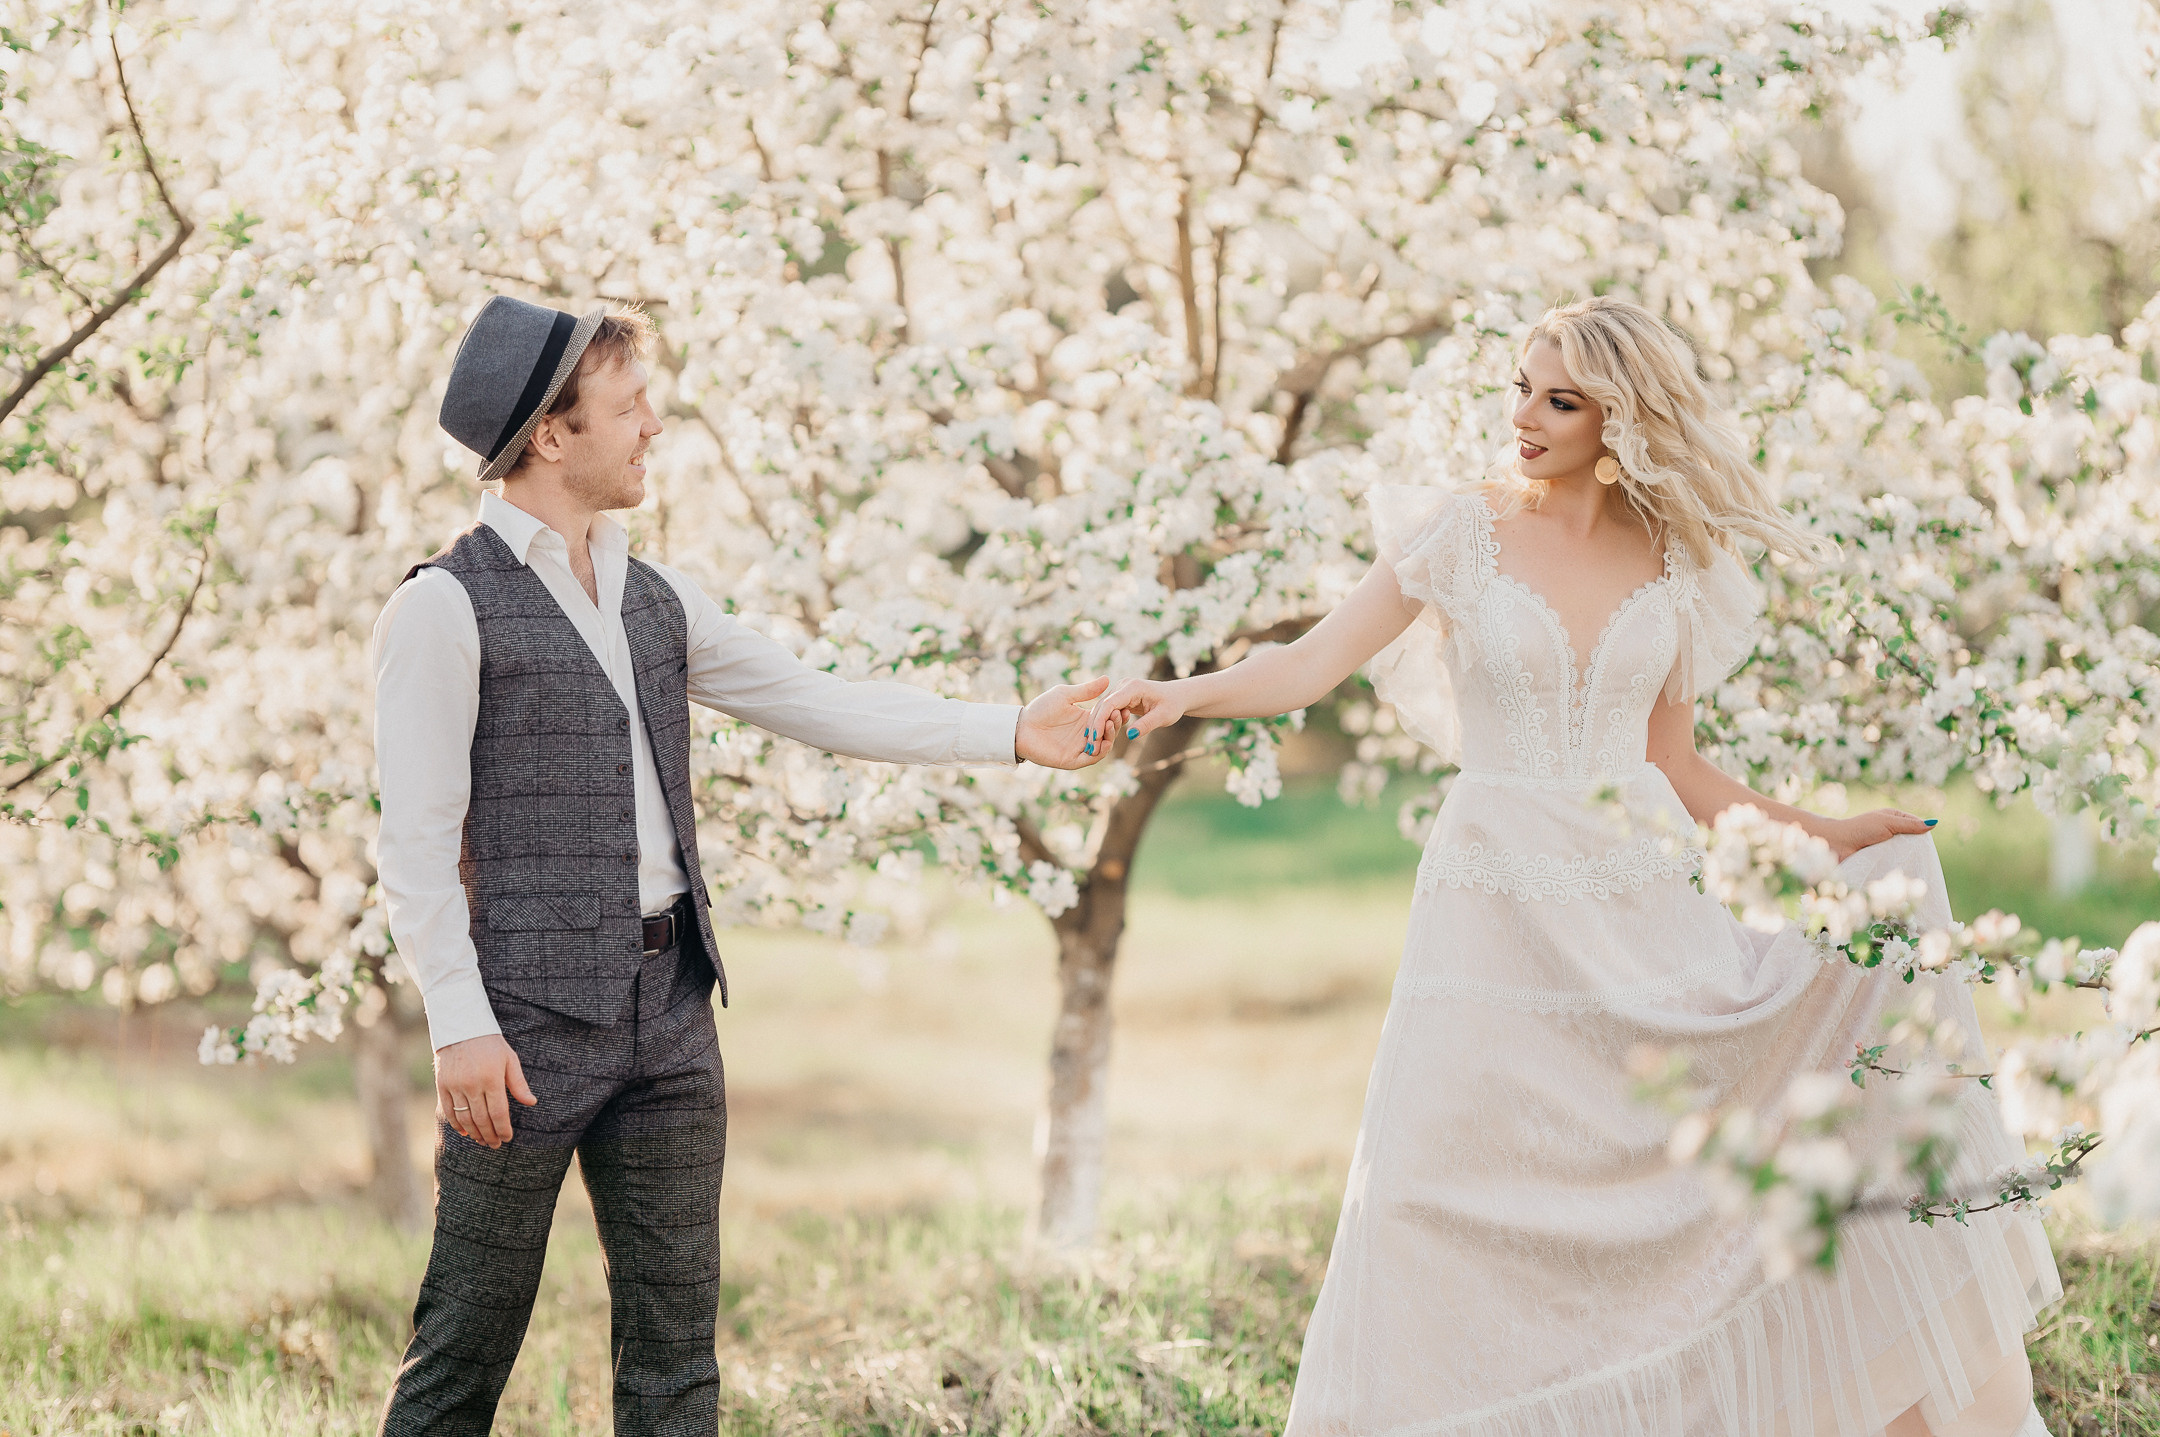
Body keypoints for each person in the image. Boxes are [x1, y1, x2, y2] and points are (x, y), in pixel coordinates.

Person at [1088, 296, 2059, 1437]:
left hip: (1642, 900)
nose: (1527, 417)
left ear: (1623, 417)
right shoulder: (1463, 530)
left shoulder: (1674, 554)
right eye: (1522, 388)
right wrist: (1184, 694)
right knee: (1421, 1195)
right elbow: (1310, 666)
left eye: (1561, 399)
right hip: (1491, 906)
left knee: (1677, 1198)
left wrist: (1820, 833)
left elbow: (1676, 763)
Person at [372, 296, 1105, 1435]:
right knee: (464, 1350)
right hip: (518, 1030)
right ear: (552, 438)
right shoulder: (442, 609)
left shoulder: (653, 597)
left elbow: (818, 702)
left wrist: (1012, 729)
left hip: (671, 1014)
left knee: (675, 1362)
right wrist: (457, 1025)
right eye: (629, 407)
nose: (655, 424)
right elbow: (415, 843)